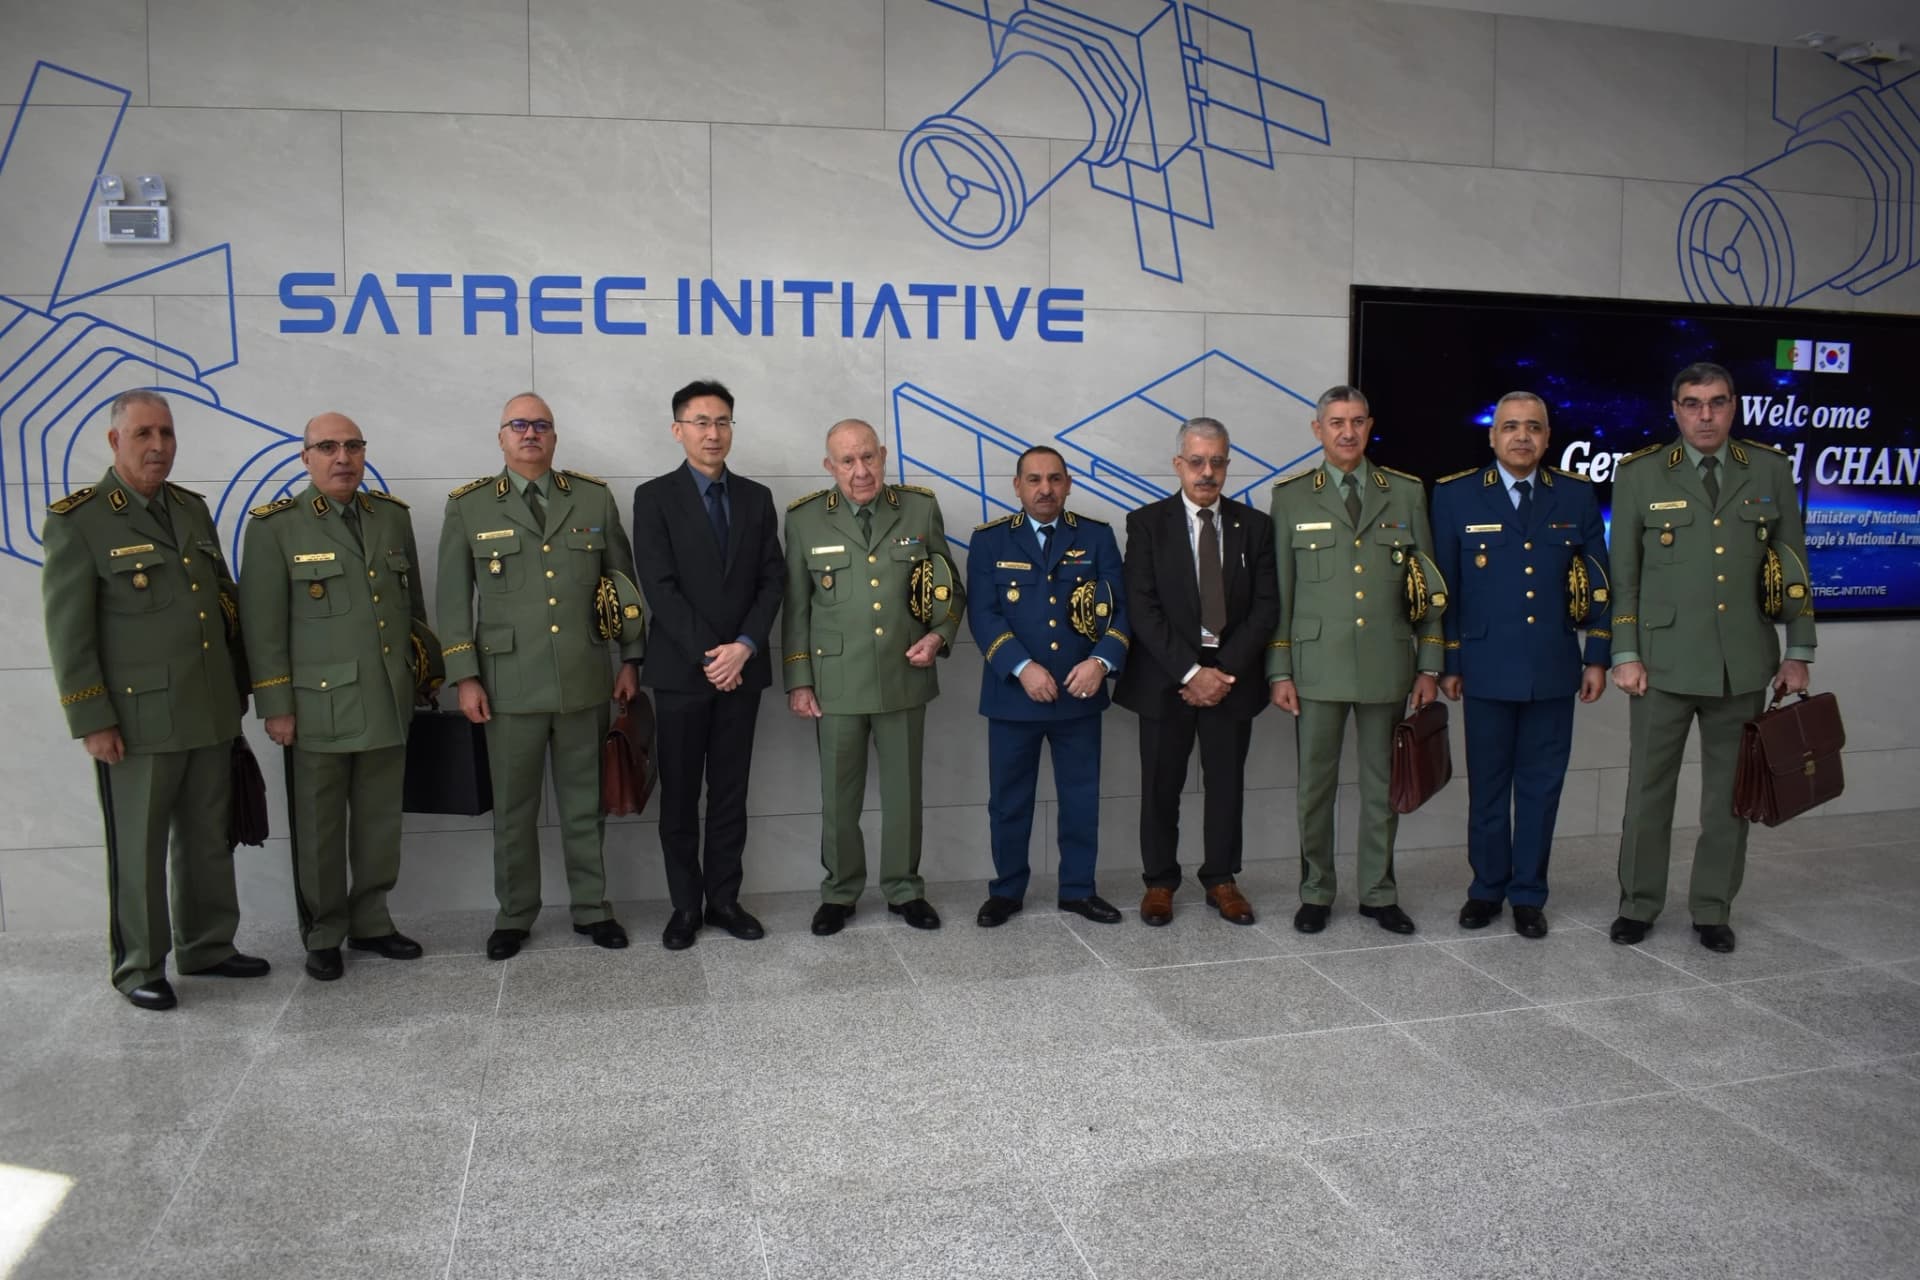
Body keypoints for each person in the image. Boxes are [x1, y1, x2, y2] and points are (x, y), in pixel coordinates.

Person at [41, 390, 269, 1010]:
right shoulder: (79, 521)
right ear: (115, 442)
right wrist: (92, 718)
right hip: (136, 722)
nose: (158, 446)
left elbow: (223, 603)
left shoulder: (191, 510)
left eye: (166, 434)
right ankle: (139, 964)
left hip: (207, 708)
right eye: (143, 434)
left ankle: (208, 946)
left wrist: (241, 686)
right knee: (139, 848)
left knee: (206, 839)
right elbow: (70, 632)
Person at [1607, 361, 1815, 953]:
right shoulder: (1642, 474)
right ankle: (1638, 904)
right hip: (1661, 664)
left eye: (1717, 402)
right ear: (1675, 409)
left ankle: (1712, 907)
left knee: (1730, 798)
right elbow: (1625, 576)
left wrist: (1798, 651)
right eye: (1693, 403)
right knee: (1648, 792)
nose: (1705, 415)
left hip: (1743, 664)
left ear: (1734, 406)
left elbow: (1793, 568)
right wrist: (1625, 652)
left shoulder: (1770, 470)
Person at [437, 392, 644, 962]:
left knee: (585, 806)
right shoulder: (470, 507)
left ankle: (592, 909)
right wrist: (465, 677)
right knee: (513, 811)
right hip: (506, 687)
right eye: (519, 425)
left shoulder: (593, 499)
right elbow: (453, 602)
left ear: (555, 437)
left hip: (584, 680)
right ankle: (514, 915)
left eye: (542, 426)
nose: (531, 434)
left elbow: (622, 587)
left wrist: (630, 659)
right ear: (501, 437)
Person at [241, 412, 428, 981]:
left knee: (378, 823)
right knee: (320, 828)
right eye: (327, 447)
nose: (342, 457)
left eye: (352, 445)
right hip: (315, 707)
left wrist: (423, 676)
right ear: (305, 457)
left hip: (386, 701)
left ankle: (372, 920)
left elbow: (412, 610)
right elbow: (262, 627)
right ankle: (324, 932)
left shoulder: (390, 519)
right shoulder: (276, 528)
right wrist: (276, 706)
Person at [1432, 391, 1610, 939]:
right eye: (1510, 427)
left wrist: (1597, 656)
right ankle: (1486, 889)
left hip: (1555, 668)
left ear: (1548, 437)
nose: (1522, 437)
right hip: (1483, 668)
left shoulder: (1577, 497)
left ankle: (1529, 894)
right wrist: (1448, 661)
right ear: (1492, 437)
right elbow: (1446, 591)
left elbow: (1601, 586)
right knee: (1487, 786)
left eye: (1533, 427)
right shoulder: (1455, 495)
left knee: (1540, 788)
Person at [1268, 386, 1445, 935]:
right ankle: (1316, 891)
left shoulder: (1406, 493)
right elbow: (1282, 590)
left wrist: (1429, 664)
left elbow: (1427, 585)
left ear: (1371, 427)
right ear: (1316, 429)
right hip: (1316, 667)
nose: (1348, 432)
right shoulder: (1293, 497)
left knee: (1382, 787)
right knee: (1314, 788)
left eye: (1358, 422)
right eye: (1336, 422)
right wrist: (1280, 669)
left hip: (1386, 665)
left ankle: (1377, 892)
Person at [783, 419, 966, 935]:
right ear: (830, 467)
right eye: (847, 461)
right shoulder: (804, 520)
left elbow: (950, 588)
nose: (860, 471)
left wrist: (938, 636)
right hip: (835, 680)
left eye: (869, 457)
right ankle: (840, 892)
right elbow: (796, 608)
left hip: (904, 673)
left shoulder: (919, 508)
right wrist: (799, 680)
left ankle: (905, 888)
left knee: (905, 793)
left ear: (883, 455)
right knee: (839, 797)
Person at [629, 380, 783, 950]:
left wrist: (743, 645)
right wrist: (711, 655)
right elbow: (660, 588)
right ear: (678, 430)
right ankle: (684, 906)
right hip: (680, 673)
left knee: (730, 792)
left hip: (741, 670)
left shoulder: (756, 498)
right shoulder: (654, 497)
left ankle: (724, 900)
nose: (712, 433)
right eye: (700, 422)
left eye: (722, 421)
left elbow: (773, 579)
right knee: (680, 795)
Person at [1114, 418, 1278, 927]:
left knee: (1227, 786)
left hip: (1232, 682)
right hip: (1167, 682)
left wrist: (1222, 672)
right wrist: (1190, 672)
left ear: (1228, 464)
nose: (1208, 472)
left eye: (1218, 462)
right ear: (1178, 464)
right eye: (1197, 461)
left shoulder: (1255, 526)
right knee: (1161, 787)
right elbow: (1141, 608)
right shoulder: (1146, 524)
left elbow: (1267, 607)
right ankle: (1160, 882)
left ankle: (1222, 880)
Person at [968, 445, 1131, 927]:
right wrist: (1022, 668)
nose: (1045, 489)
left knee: (1081, 800)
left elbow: (1119, 610)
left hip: (1080, 694)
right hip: (1014, 697)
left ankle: (1078, 890)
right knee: (1009, 802)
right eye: (1034, 479)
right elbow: (982, 613)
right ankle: (1007, 891)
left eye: (1055, 479)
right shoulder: (991, 541)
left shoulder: (1097, 538)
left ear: (1069, 483)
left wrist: (1100, 662)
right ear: (1017, 486)